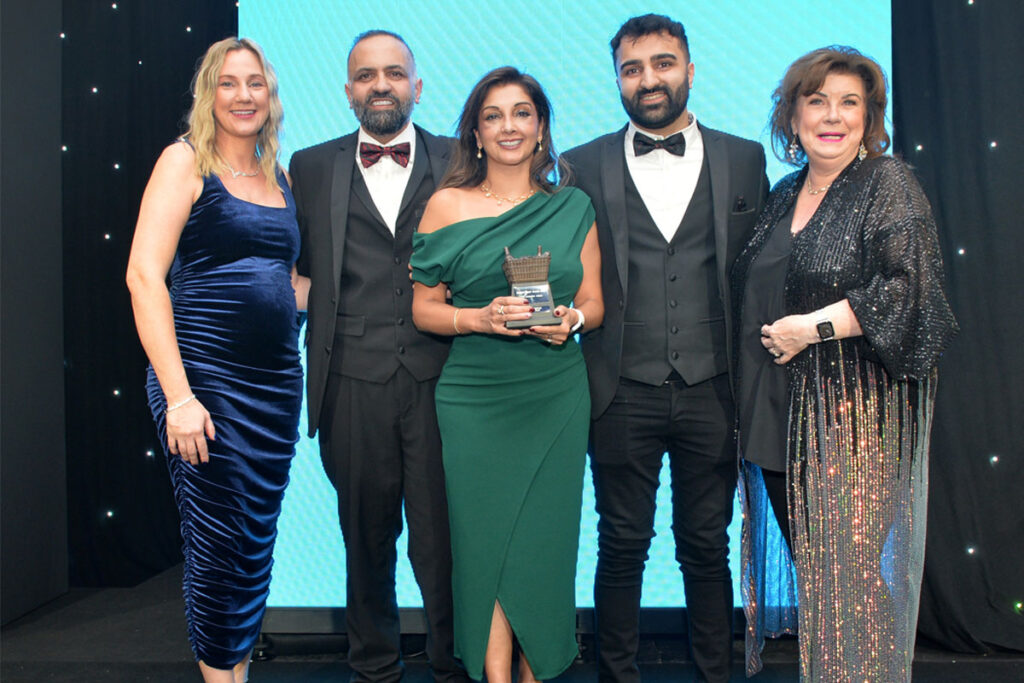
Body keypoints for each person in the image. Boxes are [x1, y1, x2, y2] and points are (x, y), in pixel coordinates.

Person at [732, 46, 958, 681]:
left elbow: (910, 291)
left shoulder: (889, 184)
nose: (832, 116)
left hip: (852, 426)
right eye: (817, 101)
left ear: (870, 116)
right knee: (823, 584)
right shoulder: (782, 196)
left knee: (849, 580)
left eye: (849, 103)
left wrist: (815, 327)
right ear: (794, 113)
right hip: (775, 426)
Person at [563, 14, 768, 682]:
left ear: (689, 67)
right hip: (619, 387)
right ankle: (617, 675)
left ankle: (716, 673)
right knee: (621, 544)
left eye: (662, 62)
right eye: (632, 68)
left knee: (705, 546)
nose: (648, 79)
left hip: (715, 386)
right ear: (617, 77)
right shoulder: (580, 163)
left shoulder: (744, 157)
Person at [410, 66, 603, 683]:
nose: (508, 126)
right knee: (483, 548)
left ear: (541, 126)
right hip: (475, 401)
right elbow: (424, 308)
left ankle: (536, 670)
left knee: (544, 548)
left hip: (555, 395)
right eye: (492, 115)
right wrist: (480, 319)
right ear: (474, 132)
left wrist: (570, 319)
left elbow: (594, 302)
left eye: (522, 112)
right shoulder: (446, 204)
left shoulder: (574, 206)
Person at [125, 38, 306, 683]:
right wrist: (179, 397)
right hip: (203, 387)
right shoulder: (183, 162)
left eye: (254, 83)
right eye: (228, 84)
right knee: (216, 548)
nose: (243, 96)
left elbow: (285, 283)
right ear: (209, 94)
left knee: (253, 549)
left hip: (276, 391)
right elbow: (144, 277)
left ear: (270, 94)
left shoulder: (278, 176)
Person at [288, 30, 465, 683]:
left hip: (446, 379)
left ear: (417, 87)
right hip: (349, 382)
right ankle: (375, 669)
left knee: (445, 543)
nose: (381, 84)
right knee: (365, 540)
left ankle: (455, 664)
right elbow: (283, 265)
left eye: (394, 73)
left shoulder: (458, 158)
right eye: (367, 75)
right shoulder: (309, 166)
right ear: (348, 91)